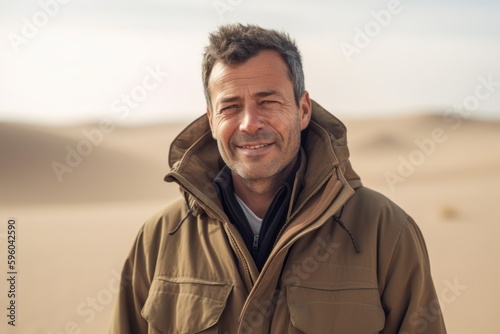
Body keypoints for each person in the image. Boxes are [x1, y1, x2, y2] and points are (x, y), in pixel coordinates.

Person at [108, 23, 447, 333]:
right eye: (230, 107)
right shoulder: (159, 238)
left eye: (267, 101)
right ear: (211, 120)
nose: (249, 123)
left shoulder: (384, 231)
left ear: (302, 110)